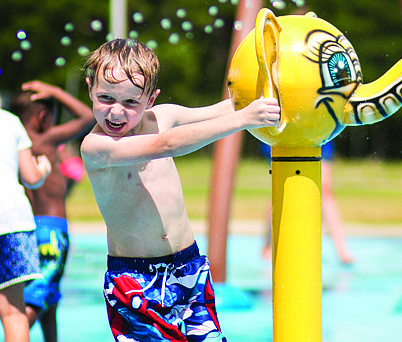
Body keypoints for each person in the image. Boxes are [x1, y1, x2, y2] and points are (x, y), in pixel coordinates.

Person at [79, 38, 279, 341]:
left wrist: (270, 87)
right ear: (90, 87)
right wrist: (244, 119)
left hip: (189, 267)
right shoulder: (96, 147)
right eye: (106, 98)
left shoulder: (164, 116)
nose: (116, 112)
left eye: (131, 102)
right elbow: (166, 144)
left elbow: (223, 109)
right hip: (135, 279)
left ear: (150, 99)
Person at [9, 80, 95, 342]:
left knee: (50, 295)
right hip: (52, 231)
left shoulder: (15, 144)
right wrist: (56, 91)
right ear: (43, 117)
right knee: (39, 296)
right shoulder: (46, 139)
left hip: (27, 227)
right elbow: (88, 117)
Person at [0, 107, 52, 342]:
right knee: (13, 312)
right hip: (13, 221)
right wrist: (44, 168)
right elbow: (31, 178)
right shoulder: (10, 121)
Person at [260, 140, 355, 265]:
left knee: (324, 187)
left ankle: (341, 249)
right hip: (284, 125)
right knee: (282, 184)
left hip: (317, 124)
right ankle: (269, 244)